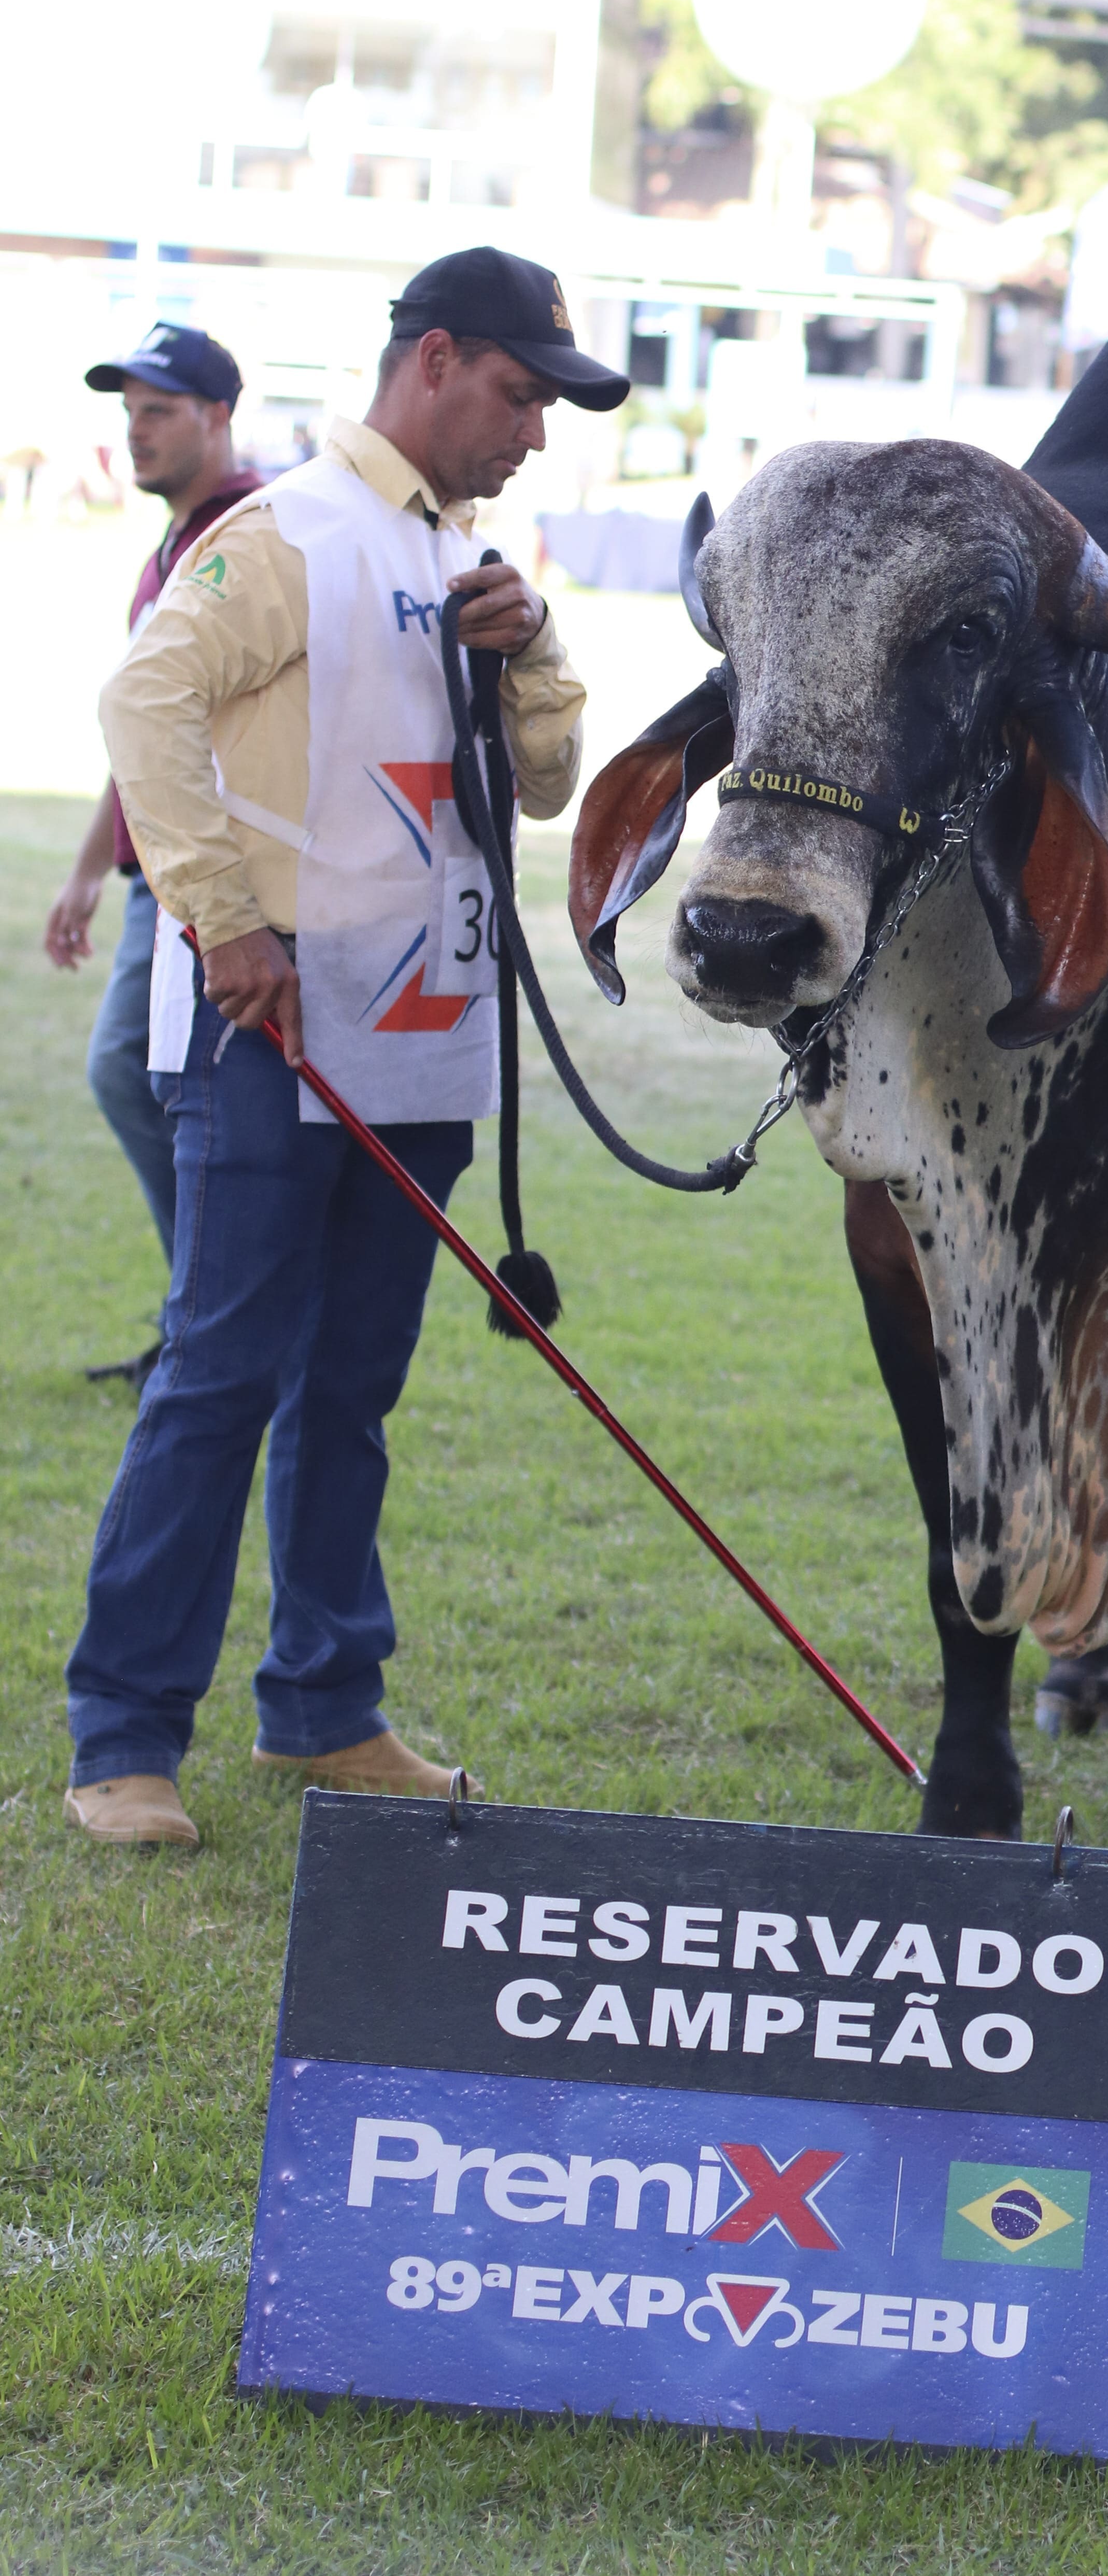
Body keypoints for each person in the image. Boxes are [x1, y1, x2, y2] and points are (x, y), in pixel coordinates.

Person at [64, 247, 629, 1848]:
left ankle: (324, 1706)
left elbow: (539, 784)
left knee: (350, 1388)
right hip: (274, 1033)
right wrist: (221, 918)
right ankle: (122, 1735)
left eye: (547, 406)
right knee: (219, 1376)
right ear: (434, 360)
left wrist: (530, 652)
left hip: (422, 1043)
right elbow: (142, 702)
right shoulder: (294, 528)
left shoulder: (461, 546)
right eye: (518, 395)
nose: (532, 431)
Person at [44, 328, 265, 1388]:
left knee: (141, 1082)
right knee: (143, 1084)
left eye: (159, 411)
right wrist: (91, 864)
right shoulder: (170, 546)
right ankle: (210, 1315)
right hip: (152, 876)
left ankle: (216, 1318)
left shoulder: (247, 535)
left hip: (204, 885)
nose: (136, 431)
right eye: (128, 412)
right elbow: (143, 729)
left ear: (220, 416)